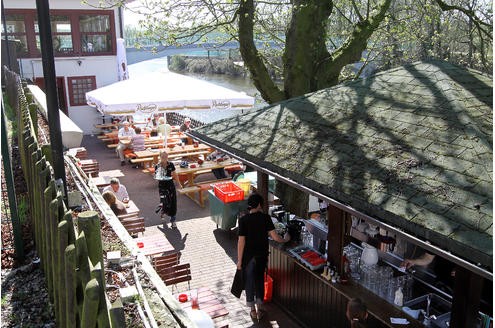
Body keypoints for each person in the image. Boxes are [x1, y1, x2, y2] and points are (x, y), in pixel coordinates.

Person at [237, 193, 290, 321]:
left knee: (249, 282)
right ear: (259, 205)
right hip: (261, 256)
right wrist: (285, 239)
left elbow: (241, 242)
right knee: (259, 281)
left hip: (248, 257)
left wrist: (239, 260)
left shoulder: (243, 220)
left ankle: (253, 311)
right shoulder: (265, 218)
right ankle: (260, 309)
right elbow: (275, 237)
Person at [154, 150, 183, 228]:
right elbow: (157, 178)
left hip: (170, 186)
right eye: (163, 157)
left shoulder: (171, 164)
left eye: (166, 157)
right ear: (160, 157)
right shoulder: (157, 166)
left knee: (173, 203)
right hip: (162, 187)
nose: (164, 158)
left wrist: (179, 184)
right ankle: (162, 210)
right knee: (165, 202)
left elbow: (175, 175)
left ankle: (173, 221)